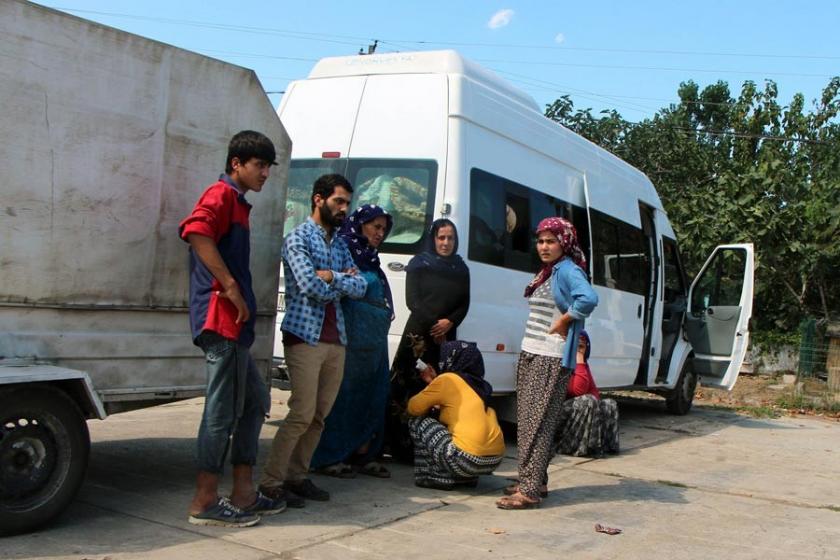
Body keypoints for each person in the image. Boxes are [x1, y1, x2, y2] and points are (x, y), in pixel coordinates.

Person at [179, 130, 284, 527]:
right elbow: (196, 232)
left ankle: (243, 492)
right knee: (220, 414)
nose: (266, 174)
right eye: (260, 165)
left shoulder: (239, 204)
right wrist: (229, 285)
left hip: (235, 327)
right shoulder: (220, 195)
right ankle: (205, 500)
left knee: (255, 404)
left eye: (269, 167)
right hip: (219, 321)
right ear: (236, 163)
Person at [259, 174, 367, 506]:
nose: (344, 209)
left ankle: (297, 476)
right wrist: (340, 284)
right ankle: (271, 481)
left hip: (336, 340)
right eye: (339, 201)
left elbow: (362, 286)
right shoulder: (298, 239)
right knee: (301, 413)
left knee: (319, 416)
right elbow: (310, 287)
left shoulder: (341, 243)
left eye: (348, 203)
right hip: (305, 336)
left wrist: (333, 276)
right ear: (318, 199)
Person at [497, 217, 598, 510]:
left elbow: (588, 298)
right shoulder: (548, 272)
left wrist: (566, 319)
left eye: (550, 241)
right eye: (540, 241)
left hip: (549, 356)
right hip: (533, 352)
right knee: (530, 421)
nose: (544, 246)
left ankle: (529, 491)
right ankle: (535, 480)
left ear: (563, 243)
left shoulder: (567, 269)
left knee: (536, 424)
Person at [310, 204, 395, 478]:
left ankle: (365, 454)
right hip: (353, 341)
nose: (380, 233)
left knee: (374, 396)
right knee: (344, 398)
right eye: (375, 226)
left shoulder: (371, 258)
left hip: (374, 344)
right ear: (360, 225)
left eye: (384, 228)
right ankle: (332, 456)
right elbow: (341, 286)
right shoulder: (346, 251)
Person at [387, 219, 470, 461]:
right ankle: (396, 446)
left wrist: (450, 323)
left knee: (436, 389)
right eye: (441, 237)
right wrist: (437, 324)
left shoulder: (461, 268)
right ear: (433, 239)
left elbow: (464, 302)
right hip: (419, 337)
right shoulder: (419, 263)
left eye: (450, 238)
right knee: (407, 388)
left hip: (444, 342)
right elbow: (413, 301)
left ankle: (427, 448)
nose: (445, 243)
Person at [407, 341, 505, 490]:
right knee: (456, 432)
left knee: (418, 422)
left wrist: (433, 383)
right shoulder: (482, 386)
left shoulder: (448, 379)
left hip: (465, 461)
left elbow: (413, 407)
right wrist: (435, 383)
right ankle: (465, 478)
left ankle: (435, 476)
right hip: (493, 461)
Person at [554, 331, 620, 457]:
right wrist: (579, 360)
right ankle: (570, 446)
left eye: (581, 347)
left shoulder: (583, 366)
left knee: (609, 404)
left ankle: (602, 446)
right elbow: (577, 391)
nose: (578, 350)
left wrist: (581, 363)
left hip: (578, 411)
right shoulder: (562, 364)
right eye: (576, 346)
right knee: (588, 401)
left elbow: (594, 392)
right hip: (557, 416)